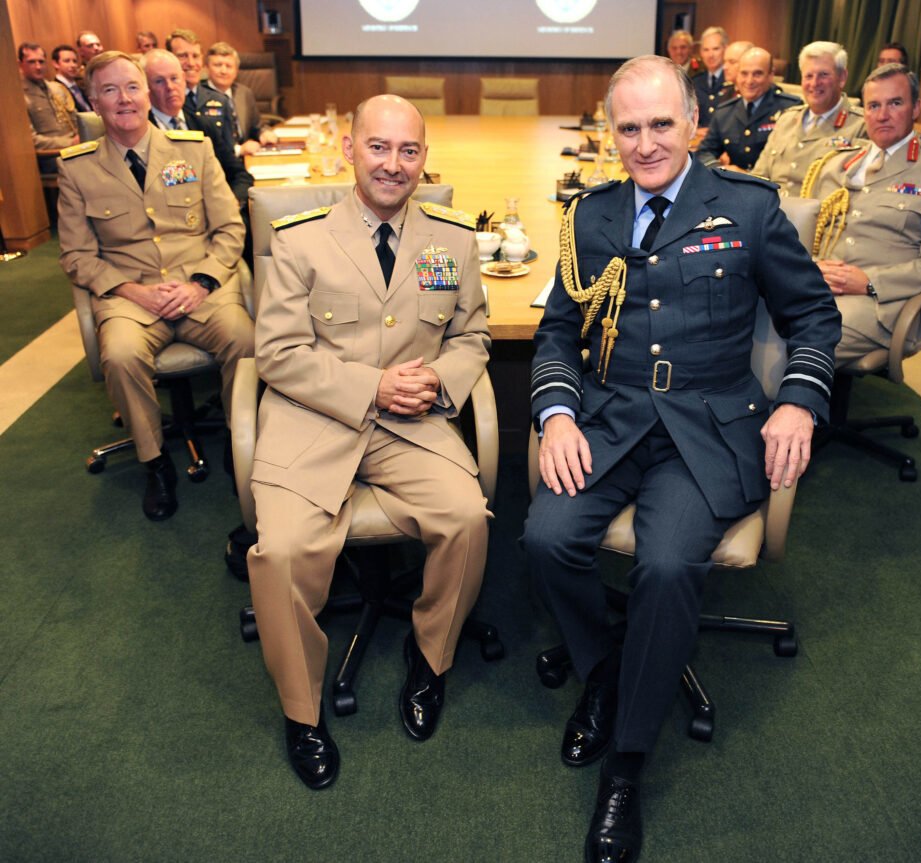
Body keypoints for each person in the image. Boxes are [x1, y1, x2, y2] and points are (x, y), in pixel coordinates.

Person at [522, 55, 840, 863]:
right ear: (610, 133)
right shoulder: (588, 217)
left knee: (665, 565)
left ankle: (625, 767)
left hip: (707, 426)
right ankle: (605, 669)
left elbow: (813, 317)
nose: (645, 143)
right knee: (545, 536)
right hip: (612, 418)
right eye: (628, 128)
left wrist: (799, 400)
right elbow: (559, 330)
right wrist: (557, 415)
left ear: (693, 124)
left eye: (661, 124)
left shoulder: (747, 208)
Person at [246, 94, 491, 790]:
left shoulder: (454, 239)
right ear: (350, 148)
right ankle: (302, 713)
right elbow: (280, 354)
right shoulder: (298, 240)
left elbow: (471, 334)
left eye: (408, 150)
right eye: (378, 147)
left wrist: (440, 382)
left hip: (412, 422)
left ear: (424, 158)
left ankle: (430, 658)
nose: (393, 163)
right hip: (316, 418)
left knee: (467, 518)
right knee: (282, 551)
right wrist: (371, 386)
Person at [57, 51, 253, 520]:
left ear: (148, 93)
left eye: (131, 87)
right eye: (109, 90)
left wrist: (202, 282)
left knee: (247, 340)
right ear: (94, 103)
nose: (123, 99)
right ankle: (156, 462)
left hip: (201, 286)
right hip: (132, 295)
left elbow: (229, 229)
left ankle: (239, 441)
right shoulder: (77, 167)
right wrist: (133, 292)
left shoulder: (194, 149)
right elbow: (77, 256)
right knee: (121, 356)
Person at [805, 64, 921, 367]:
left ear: (916, 107)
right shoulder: (839, 162)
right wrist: (814, 266)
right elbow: (808, 228)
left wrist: (870, 282)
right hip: (818, 285)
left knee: (801, 343)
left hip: (878, 303)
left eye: (895, 103)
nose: (882, 115)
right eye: (874, 105)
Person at [752, 41, 866, 196]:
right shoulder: (786, 120)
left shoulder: (861, 125)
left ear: (842, 78)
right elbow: (759, 177)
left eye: (823, 75)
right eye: (808, 76)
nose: (814, 83)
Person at [142, 49, 253, 207]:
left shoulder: (202, 124)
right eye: (159, 81)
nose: (170, 87)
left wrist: (232, 203)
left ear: (183, 80)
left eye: (175, 79)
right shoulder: (142, 132)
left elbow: (239, 175)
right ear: (146, 88)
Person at [697, 46, 801, 170]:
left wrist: (749, 176)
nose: (749, 81)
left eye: (757, 74)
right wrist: (721, 170)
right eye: (744, 74)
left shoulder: (790, 109)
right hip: (734, 184)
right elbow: (703, 153)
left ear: (771, 75)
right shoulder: (725, 111)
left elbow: (793, 160)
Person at [201, 41, 278, 155]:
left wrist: (264, 133)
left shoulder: (244, 93)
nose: (223, 71)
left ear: (236, 71)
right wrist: (239, 150)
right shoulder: (198, 97)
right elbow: (204, 142)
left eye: (229, 66)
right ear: (207, 68)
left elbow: (256, 126)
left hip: (247, 158)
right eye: (217, 65)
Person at [19, 42, 78, 170]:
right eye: (31, 62)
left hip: (74, 149)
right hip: (49, 156)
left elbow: (76, 119)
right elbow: (30, 140)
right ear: (20, 64)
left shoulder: (57, 89)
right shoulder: (18, 97)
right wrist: (69, 143)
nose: (38, 66)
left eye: (41, 61)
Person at [692, 26, 729, 125]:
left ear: (725, 49)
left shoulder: (732, 80)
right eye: (706, 50)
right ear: (701, 53)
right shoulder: (696, 82)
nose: (710, 55)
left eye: (715, 49)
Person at [166, 29, 205, 114]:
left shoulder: (220, 99)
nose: (191, 63)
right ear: (169, 58)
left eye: (195, 56)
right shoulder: (163, 101)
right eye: (183, 56)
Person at [52, 44, 92, 112]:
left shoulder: (81, 85)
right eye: (67, 61)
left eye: (75, 61)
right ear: (56, 64)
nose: (73, 65)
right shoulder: (54, 90)